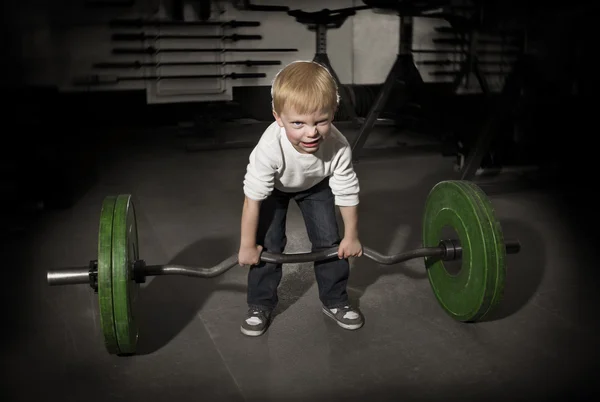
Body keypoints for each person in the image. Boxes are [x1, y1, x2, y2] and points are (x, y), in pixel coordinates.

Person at [238, 60, 364, 337]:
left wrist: (351, 236)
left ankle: (335, 301)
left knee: (330, 242)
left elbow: (347, 190)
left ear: (334, 113)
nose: (311, 132)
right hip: (275, 189)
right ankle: (259, 304)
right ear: (278, 117)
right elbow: (252, 199)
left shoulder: (338, 146)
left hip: (316, 186)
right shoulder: (270, 148)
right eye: (298, 123)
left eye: (321, 121)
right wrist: (248, 245)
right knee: (267, 245)